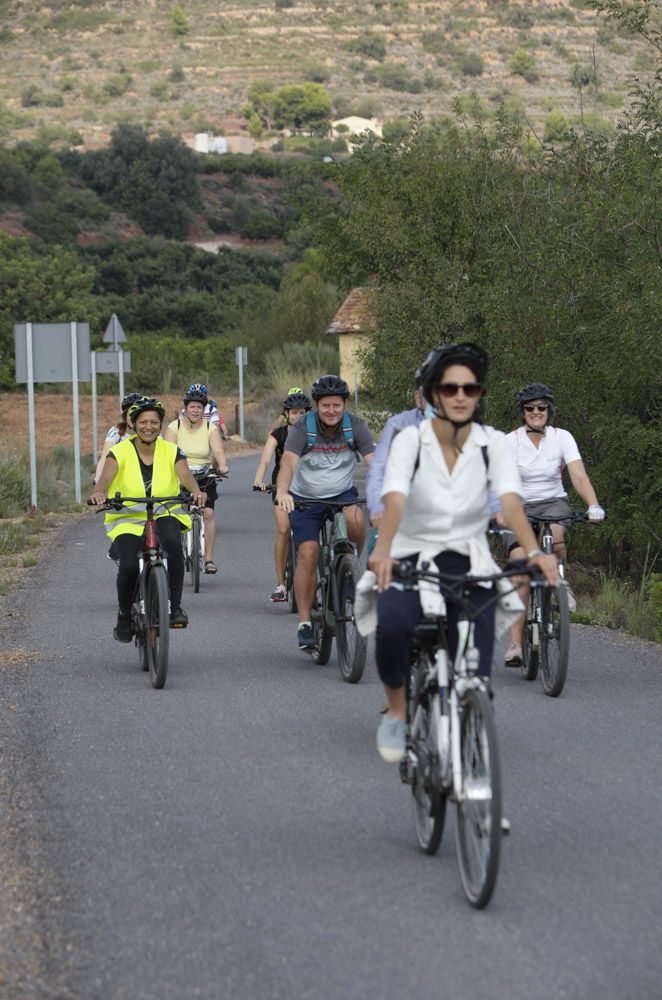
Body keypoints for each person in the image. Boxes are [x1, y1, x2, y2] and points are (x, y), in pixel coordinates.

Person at [368, 343, 559, 764]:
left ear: (478, 395)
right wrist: (382, 550)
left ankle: (471, 727)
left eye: (469, 389)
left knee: (472, 666)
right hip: (408, 554)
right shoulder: (408, 439)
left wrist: (533, 551)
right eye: (450, 387)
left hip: (466, 558)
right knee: (394, 629)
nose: (459, 396)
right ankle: (398, 710)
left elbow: (510, 501)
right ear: (433, 393)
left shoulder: (493, 443)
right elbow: (394, 496)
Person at [502, 382, 605, 666]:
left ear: (549, 410)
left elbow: (579, 476)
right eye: (530, 408)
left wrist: (593, 505)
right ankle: (515, 645)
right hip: (519, 506)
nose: (536, 412)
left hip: (552, 502)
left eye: (541, 407)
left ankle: (560, 581)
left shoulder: (562, 438)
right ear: (522, 412)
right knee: (520, 565)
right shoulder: (510, 441)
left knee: (556, 536)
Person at [89, 397, 206, 640]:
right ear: (134, 424)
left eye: (154, 422)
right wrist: (99, 492)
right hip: (128, 515)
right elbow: (104, 480)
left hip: (164, 510)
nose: (149, 426)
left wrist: (195, 492)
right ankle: (123, 614)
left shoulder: (172, 450)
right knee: (129, 564)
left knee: (173, 545)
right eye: (143, 422)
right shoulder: (118, 452)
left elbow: (186, 477)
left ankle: (174, 607)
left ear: (160, 425)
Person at [276, 374, 377, 650]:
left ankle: (349, 567)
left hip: (341, 494)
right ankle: (306, 623)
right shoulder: (302, 428)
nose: (331, 411)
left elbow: (375, 464)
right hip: (305, 498)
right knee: (307, 551)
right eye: (326, 406)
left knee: (356, 518)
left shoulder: (355, 427)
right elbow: (288, 462)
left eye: (337, 405)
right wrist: (283, 492)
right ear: (317, 406)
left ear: (344, 405)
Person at [253, 390, 312, 602]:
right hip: (282, 488)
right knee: (283, 529)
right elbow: (265, 460)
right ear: (286, 414)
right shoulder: (277, 434)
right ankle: (281, 584)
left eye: (302, 412)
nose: (298, 416)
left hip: (309, 488)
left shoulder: (314, 434)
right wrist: (259, 480)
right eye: (294, 412)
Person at [165, 386, 229, 575]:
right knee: (180, 513)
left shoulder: (211, 428)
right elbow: (168, 451)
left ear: (204, 410)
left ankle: (208, 559)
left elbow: (218, 450)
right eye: (192, 407)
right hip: (180, 473)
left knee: (208, 513)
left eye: (199, 407)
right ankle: (178, 553)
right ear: (185, 408)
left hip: (205, 473)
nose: (195, 410)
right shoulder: (174, 427)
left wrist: (223, 465)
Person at [366, 368, 426, 528]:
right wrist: (378, 508)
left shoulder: (465, 428)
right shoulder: (398, 424)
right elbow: (379, 468)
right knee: (378, 549)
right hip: (404, 511)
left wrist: (496, 507)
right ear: (418, 398)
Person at [94, 392, 144, 484]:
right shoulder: (116, 431)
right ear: (125, 416)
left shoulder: (152, 433)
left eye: (138, 414)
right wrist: (98, 481)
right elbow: (105, 457)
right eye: (131, 414)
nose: (134, 417)